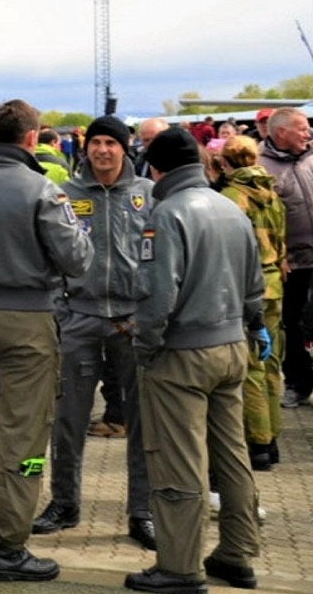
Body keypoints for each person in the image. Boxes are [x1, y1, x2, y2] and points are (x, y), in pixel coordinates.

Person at [0, 98, 91, 582]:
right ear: (31, 137)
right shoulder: (40, 189)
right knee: (23, 435)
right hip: (25, 319)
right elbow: (76, 260)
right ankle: (9, 544)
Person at [125, 127, 263, 594]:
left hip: (182, 353)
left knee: (178, 459)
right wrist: (252, 326)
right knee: (232, 455)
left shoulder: (166, 214)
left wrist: (145, 346)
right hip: (231, 345)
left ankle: (180, 567)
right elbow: (253, 285)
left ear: (156, 168)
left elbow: (157, 293)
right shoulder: (230, 208)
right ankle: (237, 553)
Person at [32, 116, 156, 551]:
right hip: (79, 320)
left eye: (111, 143)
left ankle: (143, 511)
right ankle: (64, 503)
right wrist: (61, 309)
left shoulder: (148, 195)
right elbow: (48, 255)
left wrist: (149, 311)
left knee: (143, 422)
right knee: (67, 419)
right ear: (85, 149)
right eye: (96, 143)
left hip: (131, 321)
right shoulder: (65, 194)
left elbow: (162, 257)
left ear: (125, 147)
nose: (103, 150)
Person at [216, 135, 288, 470]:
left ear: (225, 162)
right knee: (271, 363)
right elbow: (282, 240)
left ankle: (258, 442)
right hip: (275, 282)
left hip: (249, 286)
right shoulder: (272, 193)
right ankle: (272, 437)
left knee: (251, 367)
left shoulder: (231, 198)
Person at [259, 109, 312, 409]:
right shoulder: (262, 167)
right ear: (281, 133)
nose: (308, 133)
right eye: (302, 128)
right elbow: (262, 219)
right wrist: (278, 256)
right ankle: (298, 383)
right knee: (289, 323)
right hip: (290, 262)